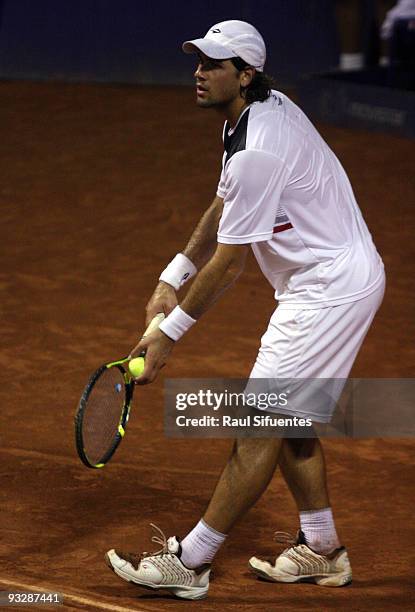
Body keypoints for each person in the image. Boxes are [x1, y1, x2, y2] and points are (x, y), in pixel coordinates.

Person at [105, 20, 385, 600]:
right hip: (322, 281)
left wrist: (169, 333)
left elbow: (231, 264)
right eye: (198, 61)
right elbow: (224, 197)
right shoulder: (251, 115)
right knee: (290, 423)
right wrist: (171, 278)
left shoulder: (259, 145)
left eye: (213, 64)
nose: (199, 72)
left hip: (328, 290)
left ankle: (193, 561)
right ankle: (323, 549)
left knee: (259, 423)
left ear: (246, 73)